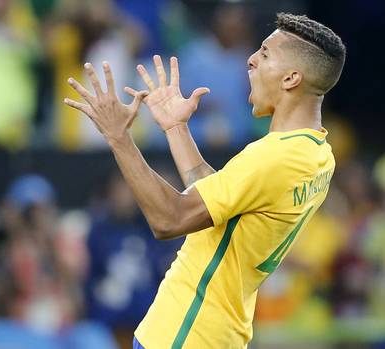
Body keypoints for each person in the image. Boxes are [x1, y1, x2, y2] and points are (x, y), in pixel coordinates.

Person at [64, 13, 345, 349]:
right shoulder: (318, 153)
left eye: (265, 54)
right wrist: (176, 129)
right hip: (218, 333)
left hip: (186, 333)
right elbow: (217, 201)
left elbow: (170, 219)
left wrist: (118, 138)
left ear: (291, 78)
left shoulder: (274, 157)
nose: (251, 60)